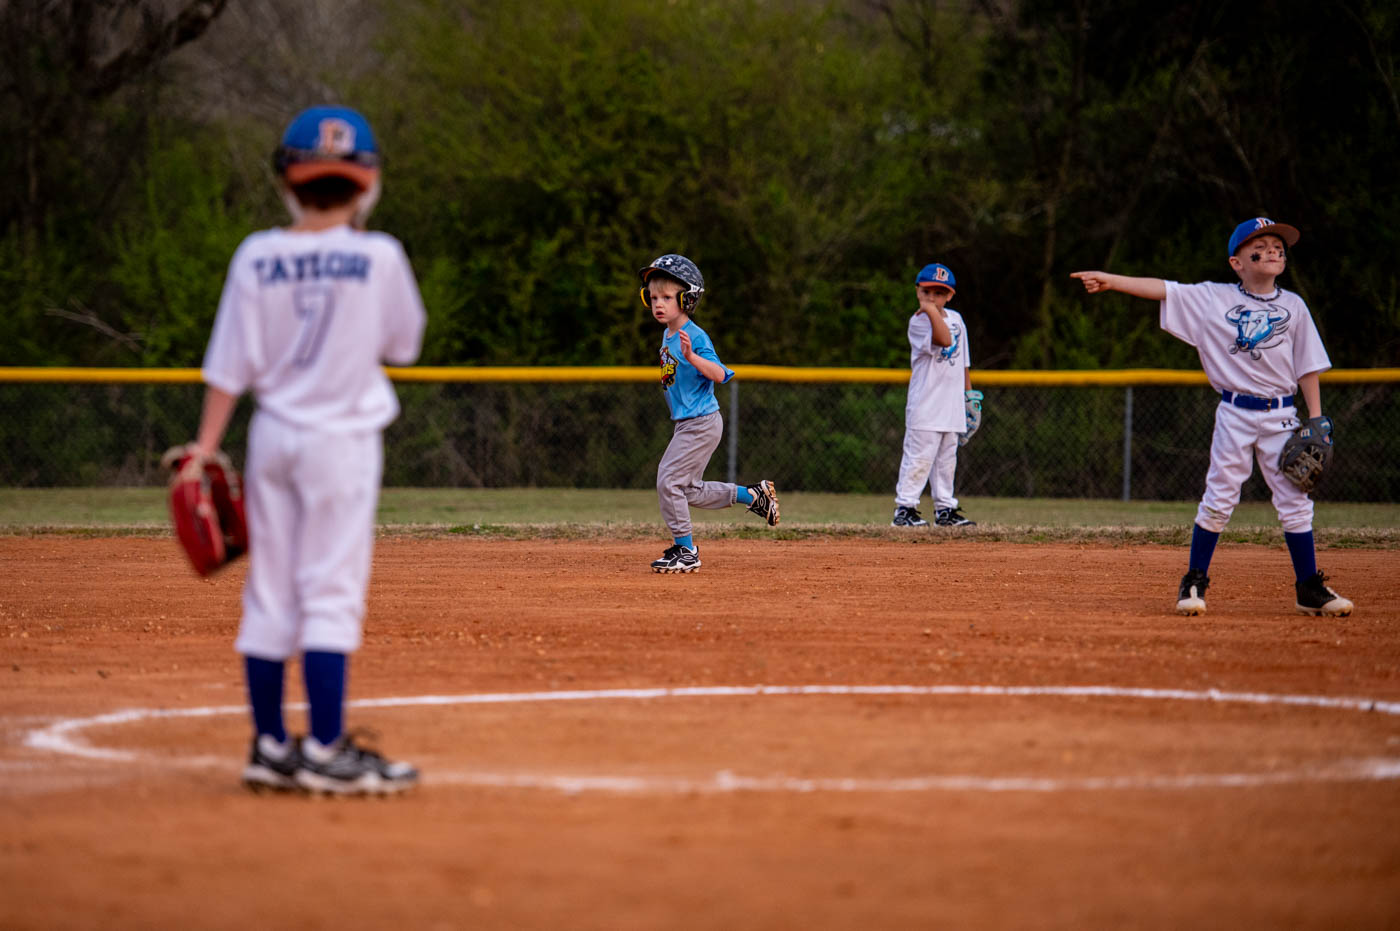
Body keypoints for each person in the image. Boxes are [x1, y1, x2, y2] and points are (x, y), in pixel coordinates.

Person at [186, 106, 428, 794]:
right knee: (329, 589)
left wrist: (205, 447)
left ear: (286, 182)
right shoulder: (379, 256)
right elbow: (404, 345)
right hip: (340, 442)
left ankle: (269, 746)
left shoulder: (255, 254)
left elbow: (228, 364)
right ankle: (324, 749)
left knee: (271, 590)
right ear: (368, 183)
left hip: (272, 436)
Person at [1072, 216, 1353, 617]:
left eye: (1278, 246)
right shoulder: (1214, 299)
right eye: (1260, 246)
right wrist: (1111, 280)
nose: (1273, 251)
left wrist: (1316, 421)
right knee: (1220, 497)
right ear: (1237, 263)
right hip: (1235, 413)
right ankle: (1194, 581)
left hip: (1282, 415)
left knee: (1295, 500)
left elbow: (1308, 366)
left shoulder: (1293, 306)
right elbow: (1165, 289)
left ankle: (1309, 587)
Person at [641, 253, 779, 572]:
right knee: (688, 489)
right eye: (653, 297)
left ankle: (686, 550)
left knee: (668, 481)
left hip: (700, 423)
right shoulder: (668, 334)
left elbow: (719, 374)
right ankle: (753, 496)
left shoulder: (695, 336)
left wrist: (692, 356)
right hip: (688, 424)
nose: (658, 303)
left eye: (667, 297)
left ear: (687, 299)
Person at [891, 262, 981, 528]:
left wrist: (970, 397)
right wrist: (931, 310)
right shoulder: (919, 321)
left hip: (951, 405)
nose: (932, 298)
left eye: (939, 293)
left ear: (950, 295)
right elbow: (944, 340)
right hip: (926, 405)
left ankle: (945, 510)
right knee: (918, 459)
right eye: (927, 291)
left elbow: (963, 360)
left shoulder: (957, 319)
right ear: (917, 290)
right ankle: (905, 509)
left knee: (946, 461)